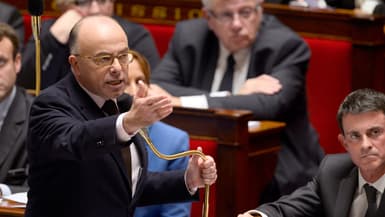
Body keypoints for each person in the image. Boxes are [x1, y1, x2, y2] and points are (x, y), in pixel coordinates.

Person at [25, 15, 217, 217]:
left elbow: (121, 187)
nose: (117, 68)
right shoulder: (50, 104)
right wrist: (127, 123)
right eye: (104, 59)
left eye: (123, 56)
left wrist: (187, 180)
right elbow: (76, 140)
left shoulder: (123, 103)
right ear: (76, 64)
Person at [151, 0, 324, 202]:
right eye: (226, 15)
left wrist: (182, 101)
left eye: (246, 12)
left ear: (259, 12)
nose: (237, 24)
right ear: (209, 18)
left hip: (278, 171)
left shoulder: (286, 46)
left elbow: (268, 105)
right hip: (200, 159)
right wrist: (233, 96)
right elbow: (157, 87)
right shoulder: (189, 38)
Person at [237, 88, 385, 217]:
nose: (365, 145)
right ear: (344, 143)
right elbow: (288, 208)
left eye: (375, 132)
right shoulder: (334, 172)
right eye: (355, 136)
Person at [18, 0, 160, 90]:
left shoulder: (135, 36)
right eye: (83, 2)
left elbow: (152, 86)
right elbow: (23, 83)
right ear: (67, 4)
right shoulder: (52, 30)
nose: (95, 10)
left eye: (102, 1)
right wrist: (54, 39)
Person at [125, 50, 191, 217]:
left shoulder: (173, 141)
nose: (133, 91)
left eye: (140, 81)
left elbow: (176, 213)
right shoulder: (93, 133)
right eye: (124, 83)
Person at [0, 23, 33, 195]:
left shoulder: (37, 115)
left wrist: (2, 190)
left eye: (1, 62)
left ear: (17, 62)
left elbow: (44, 186)